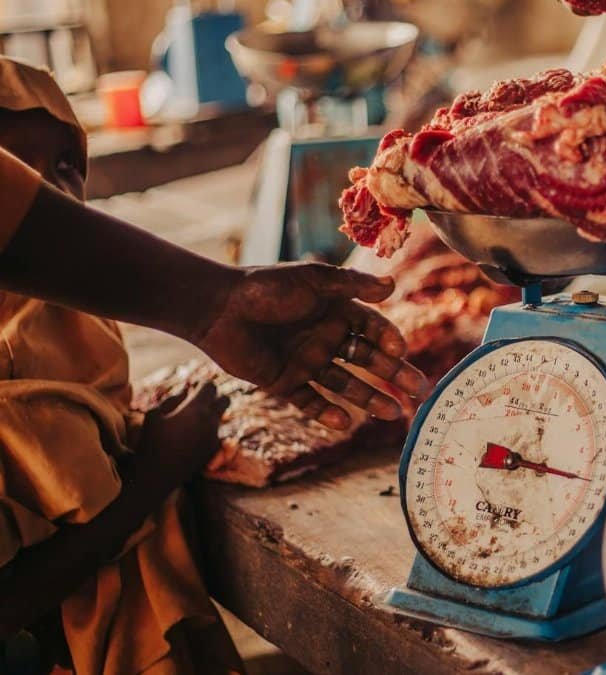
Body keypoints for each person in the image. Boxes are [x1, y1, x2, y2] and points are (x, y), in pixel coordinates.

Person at [0, 58, 423, 673]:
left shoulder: (75, 324)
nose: (59, 186)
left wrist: (215, 302)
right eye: (25, 172)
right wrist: (154, 473)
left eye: (72, 163)